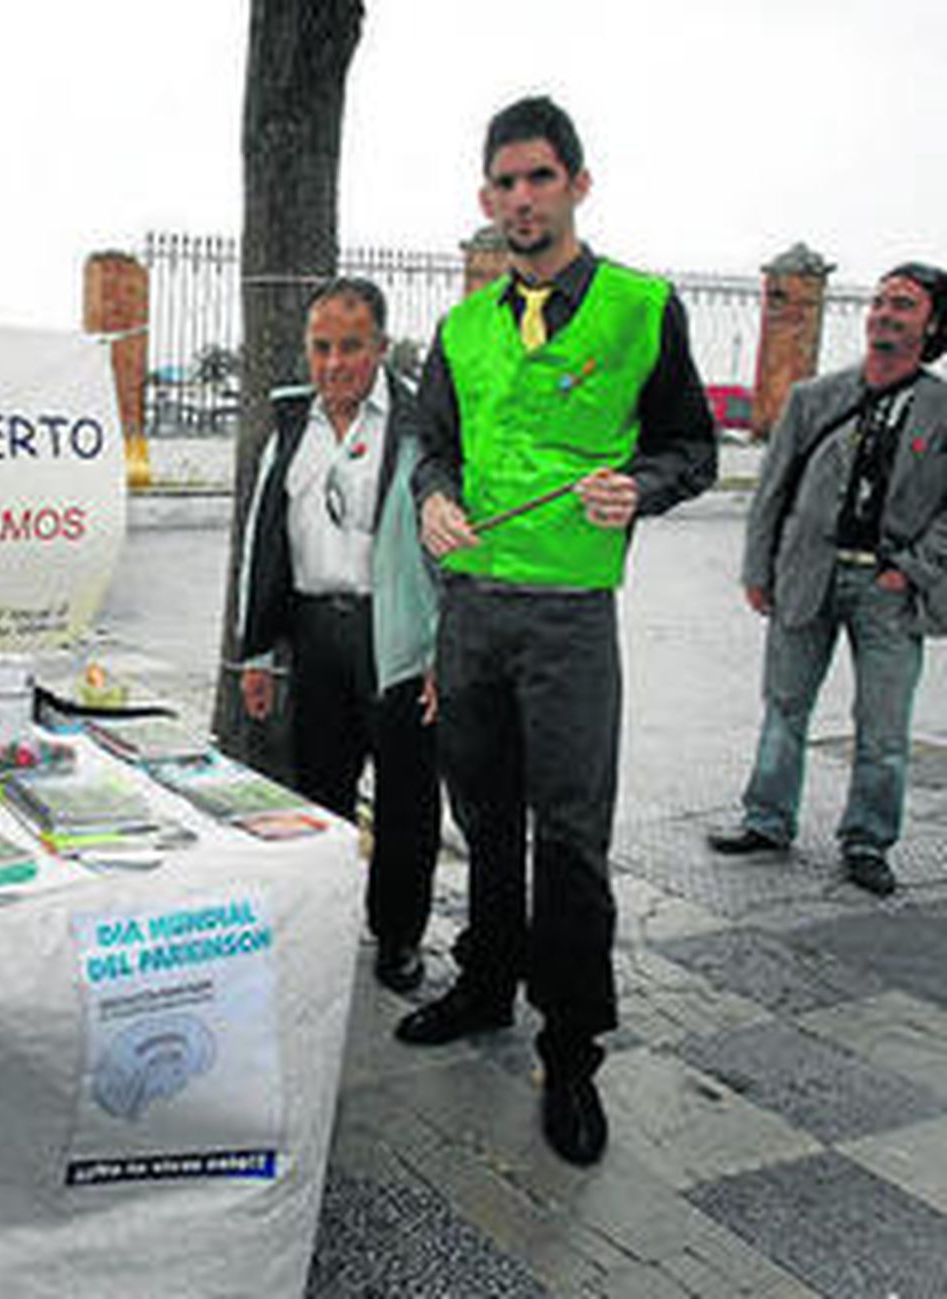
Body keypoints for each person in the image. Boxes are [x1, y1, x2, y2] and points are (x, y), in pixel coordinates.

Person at [400, 97, 716, 1166]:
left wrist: (643, 486)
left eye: (540, 177)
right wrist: (432, 498)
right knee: (483, 817)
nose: (521, 199)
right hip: (472, 613)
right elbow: (433, 449)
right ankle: (486, 981)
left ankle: (571, 1049)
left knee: (571, 836)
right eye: (505, 182)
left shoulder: (640, 306)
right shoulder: (461, 328)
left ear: (577, 184)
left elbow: (691, 447)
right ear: (485, 197)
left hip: (571, 619)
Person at [707, 263, 947, 896]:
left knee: (883, 726)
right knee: (785, 706)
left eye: (904, 304)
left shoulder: (941, 409)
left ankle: (868, 839)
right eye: (880, 301)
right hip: (806, 573)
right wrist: (758, 570)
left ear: (932, 324)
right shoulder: (814, 397)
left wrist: (912, 570)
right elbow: (772, 490)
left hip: (888, 588)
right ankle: (766, 819)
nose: (885, 313)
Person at [237, 276, 443, 996]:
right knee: (319, 789)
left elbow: (452, 545)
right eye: (321, 347)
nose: (333, 364)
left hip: (395, 637)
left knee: (407, 799)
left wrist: (441, 651)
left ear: (381, 347)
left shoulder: (419, 425)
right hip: (315, 634)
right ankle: (323, 924)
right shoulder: (293, 424)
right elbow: (265, 538)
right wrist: (256, 650)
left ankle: (398, 935)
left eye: (350, 347)